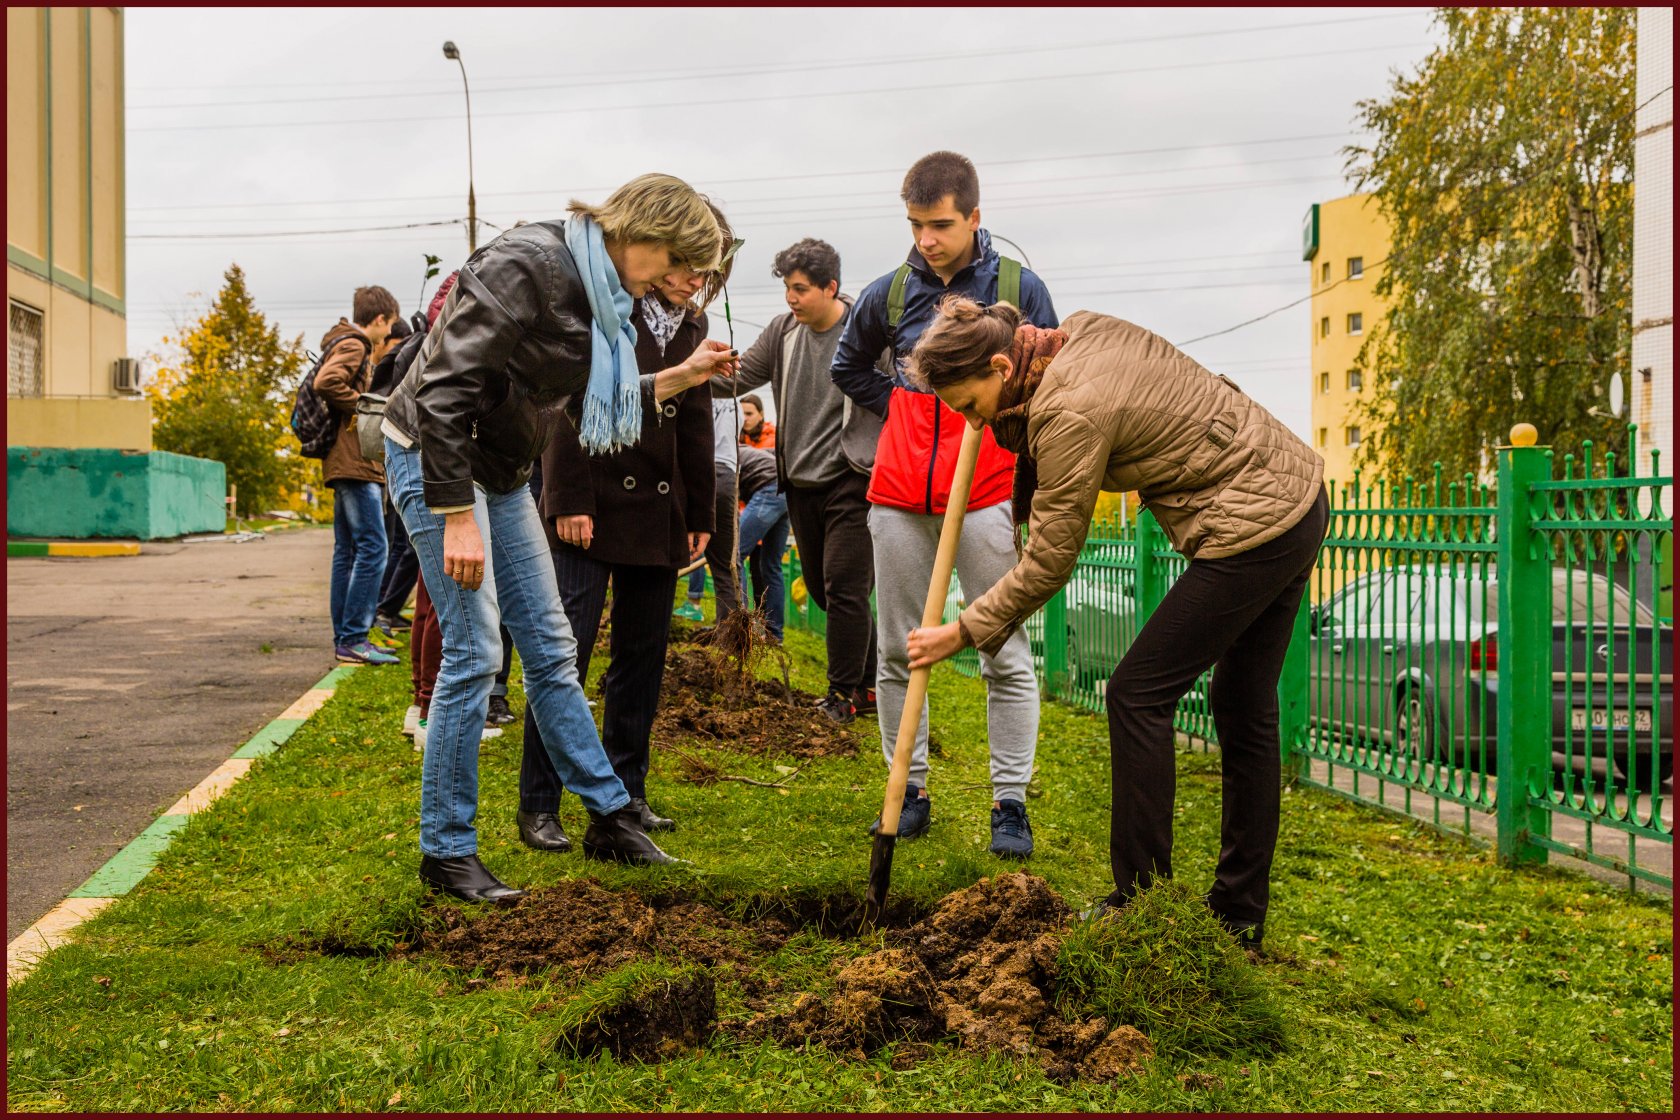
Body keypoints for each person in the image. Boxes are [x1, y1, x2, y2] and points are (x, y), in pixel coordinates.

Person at [903, 297, 1329, 948]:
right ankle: (1238, 915)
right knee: (1242, 706)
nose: (973, 423)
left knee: (1138, 693)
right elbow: (1043, 447)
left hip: (1255, 524)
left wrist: (959, 632)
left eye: (968, 405)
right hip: (1295, 495)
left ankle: (1141, 903)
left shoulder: (1068, 410)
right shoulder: (1075, 335)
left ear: (999, 363)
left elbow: (1050, 563)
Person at [380, 173, 738, 902]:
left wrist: (684, 376)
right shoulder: (527, 266)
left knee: (550, 644)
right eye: (676, 264)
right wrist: (455, 517)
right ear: (639, 236)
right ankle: (445, 851)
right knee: (476, 652)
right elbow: (443, 390)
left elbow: (593, 398)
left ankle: (608, 815)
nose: (679, 282)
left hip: (501, 466)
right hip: (434, 455)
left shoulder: (608, 295)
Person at [830, 151, 1057, 858]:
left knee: (1002, 648)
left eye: (940, 225)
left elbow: (1051, 375)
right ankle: (912, 788)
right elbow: (847, 366)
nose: (926, 239)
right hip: (898, 493)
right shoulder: (888, 294)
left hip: (984, 488)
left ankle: (1009, 802)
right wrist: (902, 405)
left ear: (975, 218)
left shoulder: (1019, 287)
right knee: (900, 649)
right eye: (915, 225)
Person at [517, 218, 734, 850]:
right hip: (591, 508)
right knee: (567, 658)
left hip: (659, 519)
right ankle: (540, 801)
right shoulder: (605, 306)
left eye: (708, 269)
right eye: (691, 263)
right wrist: (568, 498)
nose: (698, 279)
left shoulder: (694, 327)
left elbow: (694, 423)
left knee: (641, 659)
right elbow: (564, 408)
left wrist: (700, 518)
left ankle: (626, 794)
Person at [722, 237, 878, 722]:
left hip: (852, 476)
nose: (791, 298)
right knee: (820, 589)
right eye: (787, 288)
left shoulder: (865, 329)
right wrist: (683, 375)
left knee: (845, 586)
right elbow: (738, 376)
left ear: (831, 287)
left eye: (801, 289)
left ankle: (843, 695)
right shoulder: (782, 332)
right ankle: (870, 687)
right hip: (801, 481)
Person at [316, 286, 401, 666]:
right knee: (374, 547)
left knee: (348, 551)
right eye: (390, 326)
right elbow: (327, 382)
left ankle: (348, 638)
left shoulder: (342, 341)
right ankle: (352, 637)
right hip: (354, 462)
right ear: (380, 320)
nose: (388, 335)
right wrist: (370, 408)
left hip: (343, 460)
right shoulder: (355, 345)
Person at [370, 315, 420, 638]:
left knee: (399, 544)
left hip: (389, 465)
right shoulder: (404, 357)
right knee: (390, 546)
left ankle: (384, 608)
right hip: (397, 461)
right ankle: (383, 610)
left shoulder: (397, 357)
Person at [674, 396, 742, 623]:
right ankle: (731, 636)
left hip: (694, 472)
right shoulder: (736, 401)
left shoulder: (691, 388)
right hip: (727, 477)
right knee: (726, 565)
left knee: (672, 549)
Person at [734, 443, 789, 641]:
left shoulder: (722, 454)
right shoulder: (746, 450)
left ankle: (738, 628)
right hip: (784, 491)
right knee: (771, 566)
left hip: (768, 489)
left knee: (734, 555)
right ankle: (774, 635)